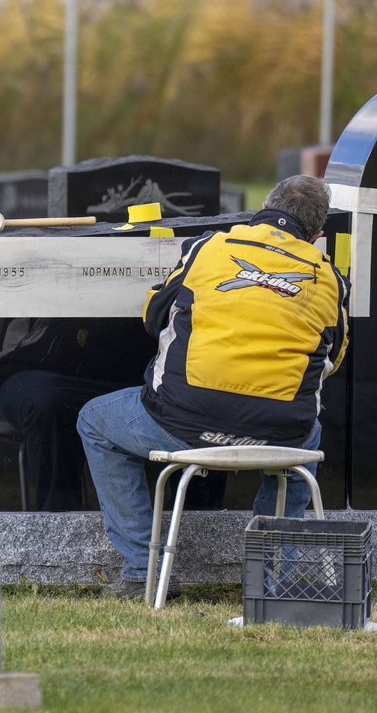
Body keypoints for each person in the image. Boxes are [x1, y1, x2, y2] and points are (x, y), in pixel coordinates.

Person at [77, 175, 349, 600]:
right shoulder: (329, 277)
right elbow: (332, 359)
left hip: (180, 422)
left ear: (263, 206)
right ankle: (269, 582)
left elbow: (154, 315)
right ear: (317, 235)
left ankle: (139, 573)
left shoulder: (209, 247)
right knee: (306, 439)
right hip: (279, 435)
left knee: (93, 420)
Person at [0, 317, 152, 511]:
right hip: (35, 366)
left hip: (134, 371)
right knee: (48, 404)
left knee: (187, 398)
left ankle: (189, 519)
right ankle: (58, 522)